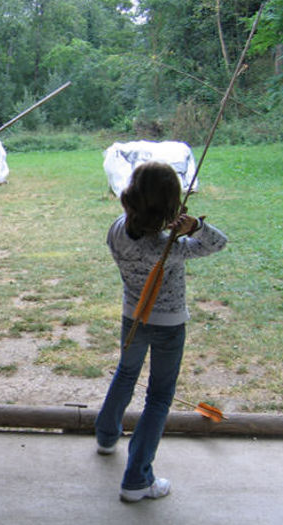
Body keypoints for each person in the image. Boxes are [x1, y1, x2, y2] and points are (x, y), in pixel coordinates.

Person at [94, 161, 227, 502]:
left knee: (125, 374)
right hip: (168, 326)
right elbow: (217, 244)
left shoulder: (117, 228)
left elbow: (144, 232)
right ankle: (137, 481)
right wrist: (195, 226)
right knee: (159, 397)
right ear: (170, 205)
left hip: (132, 319)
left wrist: (170, 226)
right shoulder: (169, 247)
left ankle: (107, 436)